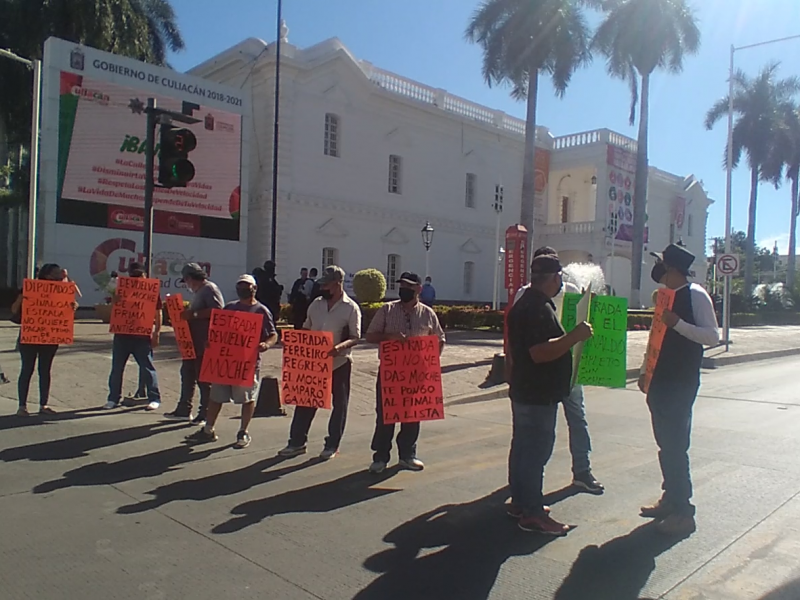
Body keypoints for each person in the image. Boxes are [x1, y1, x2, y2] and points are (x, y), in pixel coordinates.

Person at [506, 253, 593, 535]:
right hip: (537, 392)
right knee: (535, 452)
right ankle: (532, 513)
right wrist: (574, 337)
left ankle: (521, 502)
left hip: (525, 389)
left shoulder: (526, 304)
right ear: (554, 279)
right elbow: (540, 352)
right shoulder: (538, 309)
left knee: (522, 448)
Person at [638, 244, 719, 536]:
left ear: (672, 269)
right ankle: (670, 498)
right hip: (660, 381)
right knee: (665, 444)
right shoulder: (664, 296)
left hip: (681, 381)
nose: (658, 270)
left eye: (662, 265)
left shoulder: (695, 295)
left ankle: (684, 511)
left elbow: (712, 336)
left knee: (675, 445)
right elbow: (657, 336)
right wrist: (646, 370)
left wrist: (679, 324)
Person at [512, 247, 604, 495]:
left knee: (575, 421)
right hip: (540, 377)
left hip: (567, 370)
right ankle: (527, 496)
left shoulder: (572, 293)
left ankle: (581, 472)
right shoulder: (531, 300)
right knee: (534, 439)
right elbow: (530, 345)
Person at [365, 272, 446, 473]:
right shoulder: (387, 310)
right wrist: (388, 336)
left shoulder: (427, 314)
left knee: (412, 416)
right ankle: (380, 457)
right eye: (401, 286)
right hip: (390, 374)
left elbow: (440, 339)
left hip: (416, 375)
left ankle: (407, 455)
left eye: (409, 287)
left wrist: (432, 361)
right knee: (385, 416)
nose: (404, 291)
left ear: (418, 289)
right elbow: (370, 336)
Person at [278, 266, 362, 460]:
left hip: (339, 363)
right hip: (314, 363)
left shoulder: (351, 307)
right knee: (305, 401)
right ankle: (297, 442)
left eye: (326, 284)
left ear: (337, 284)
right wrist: (294, 342)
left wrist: (339, 349)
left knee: (339, 405)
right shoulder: (316, 304)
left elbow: (355, 336)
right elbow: (307, 328)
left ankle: (332, 445)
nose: (322, 287)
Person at [185, 274, 278, 448]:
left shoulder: (261, 311)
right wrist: (210, 342)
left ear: (254, 288)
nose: (243, 289)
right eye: (240, 286)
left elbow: (273, 334)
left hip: (246, 364)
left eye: (247, 286)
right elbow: (217, 330)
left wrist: (266, 344)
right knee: (216, 397)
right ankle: (208, 430)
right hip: (224, 362)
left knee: (247, 399)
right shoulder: (229, 308)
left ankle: (243, 431)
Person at [10, 263, 77, 416]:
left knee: (45, 370)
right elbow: (14, 310)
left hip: (50, 336)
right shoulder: (31, 288)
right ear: (47, 275)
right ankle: (22, 406)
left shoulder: (62, 290)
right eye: (55, 273)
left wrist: (73, 306)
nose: (58, 275)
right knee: (27, 369)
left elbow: (69, 309)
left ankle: (43, 405)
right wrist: (22, 298)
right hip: (31, 335)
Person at [164, 263, 225, 424]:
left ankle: (204, 413)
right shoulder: (200, 291)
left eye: (186, 281)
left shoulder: (209, 289)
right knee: (187, 375)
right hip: (192, 344)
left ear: (190, 278)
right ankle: (184, 409)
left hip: (204, 343)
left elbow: (218, 312)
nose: (186, 285)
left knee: (203, 380)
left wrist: (193, 314)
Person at [104, 262, 162, 411]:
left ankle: (154, 398)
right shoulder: (121, 288)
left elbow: (158, 312)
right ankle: (113, 398)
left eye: (139, 275)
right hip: (122, 334)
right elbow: (110, 300)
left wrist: (157, 332)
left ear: (144, 274)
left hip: (142, 335)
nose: (136, 278)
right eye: (133, 275)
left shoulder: (151, 289)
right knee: (117, 368)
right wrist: (115, 297)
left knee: (147, 367)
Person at [255, 260, 283, 326]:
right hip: (268, 305)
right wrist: (278, 288)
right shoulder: (265, 278)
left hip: (266, 305)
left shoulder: (267, 278)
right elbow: (271, 291)